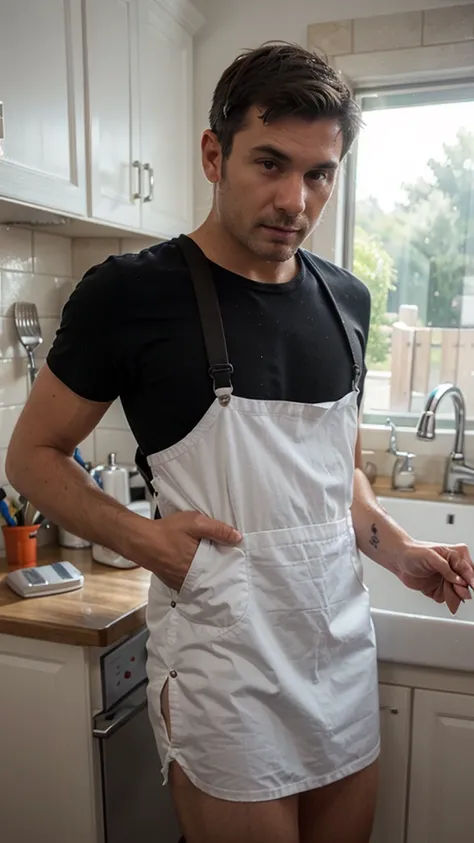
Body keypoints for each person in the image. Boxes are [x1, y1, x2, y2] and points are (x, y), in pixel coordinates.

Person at [6, 42, 474, 843]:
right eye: (270, 162)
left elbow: (338, 472)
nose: (295, 198)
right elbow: (31, 458)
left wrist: (396, 549)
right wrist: (150, 542)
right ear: (213, 153)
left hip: (336, 651)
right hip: (226, 666)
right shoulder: (131, 293)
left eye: (320, 173)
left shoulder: (347, 302)